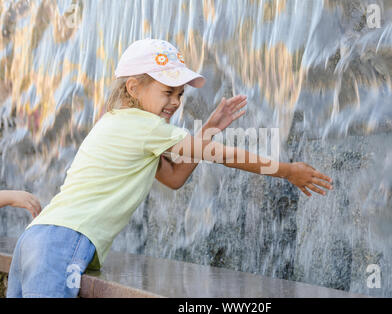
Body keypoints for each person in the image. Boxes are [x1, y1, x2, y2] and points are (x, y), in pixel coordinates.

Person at [6, 38, 333, 298]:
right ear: (133, 88)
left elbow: (175, 177)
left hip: (36, 239)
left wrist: (207, 130)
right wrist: (287, 171)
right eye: (167, 92)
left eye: (179, 93)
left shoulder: (122, 125)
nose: (176, 101)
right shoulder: (143, 126)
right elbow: (219, 155)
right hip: (63, 240)